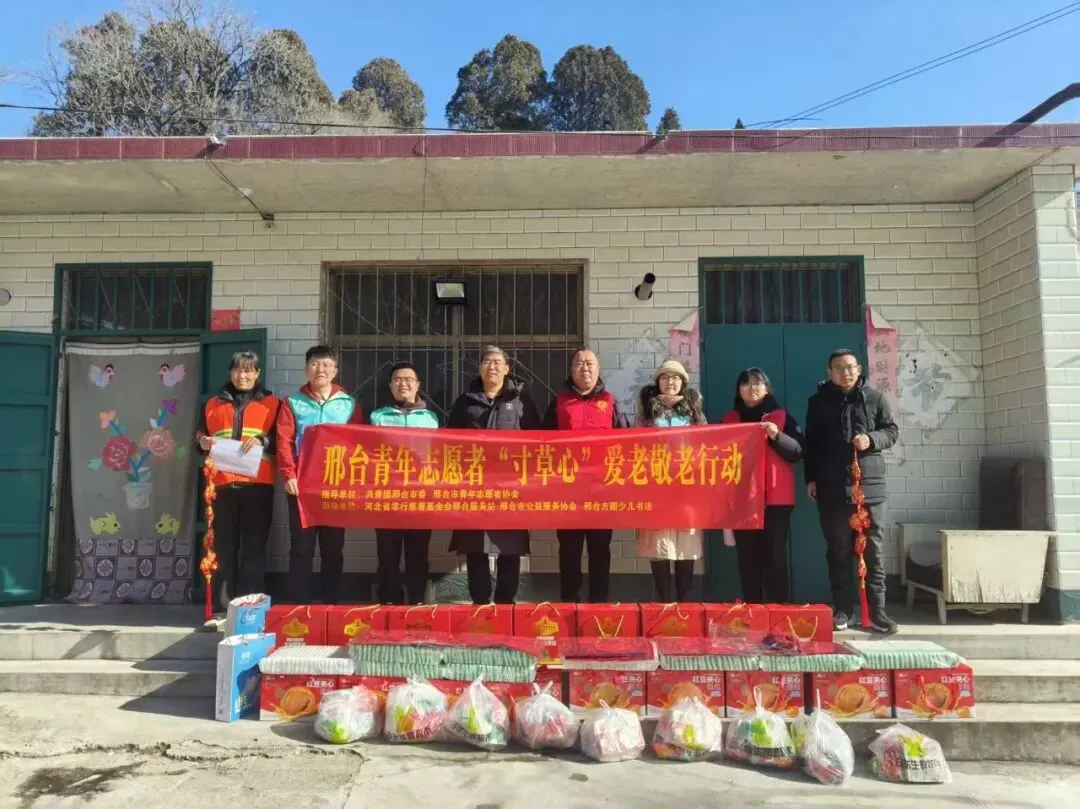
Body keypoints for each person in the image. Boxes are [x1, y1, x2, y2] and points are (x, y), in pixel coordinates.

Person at [804, 348, 899, 634]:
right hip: (832, 486)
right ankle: (843, 609)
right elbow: (812, 444)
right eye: (838, 368)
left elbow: (891, 431)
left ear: (859, 369)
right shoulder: (818, 402)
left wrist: (871, 439)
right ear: (829, 373)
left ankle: (878, 612)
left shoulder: (875, 398)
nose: (845, 372)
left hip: (870, 486)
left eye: (850, 367)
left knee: (873, 550)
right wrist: (811, 478)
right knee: (839, 550)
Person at [448, 346, 541, 604]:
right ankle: (479, 602)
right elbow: (449, 441)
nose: (492, 367)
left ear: (507, 369)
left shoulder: (521, 402)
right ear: (480, 368)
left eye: (498, 362)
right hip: (475, 485)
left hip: (511, 486)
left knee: (509, 547)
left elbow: (537, 441)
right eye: (487, 362)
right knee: (475, 546)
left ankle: (505, 603)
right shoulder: (465, 402)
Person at [195, 351, 279, 630]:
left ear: (258, 373)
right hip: (221, 485)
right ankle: (222, 611)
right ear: (230, 372)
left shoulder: (273, 403)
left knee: (254, 547)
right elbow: (199, 436)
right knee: (224, 547)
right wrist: (201, 443)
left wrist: (263, 441)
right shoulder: (211, 404)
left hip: (258, 485)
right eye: (238, 370)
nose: (243, 376)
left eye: (248, 370)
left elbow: (282, 439)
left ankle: (252, 609)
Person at [276, 345, 364, 605]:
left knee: (333, 547)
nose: (320, 369)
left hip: (336, 486)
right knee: (301, 547)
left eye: (326, 364)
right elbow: (284, 441)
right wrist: (289, 475)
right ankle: (298, 604)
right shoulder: (292, 403)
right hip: (302, 485)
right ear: (306, 369)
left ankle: (330, 603)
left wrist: (352, 481)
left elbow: (358, 443)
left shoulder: (349, 404)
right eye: (315, 364)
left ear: (335, 370)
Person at [543, 348, 630, 603]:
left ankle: (598, 605)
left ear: (598, 369)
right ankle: (569, 602)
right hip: (567, 490)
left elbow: (626, 442)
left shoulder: (611, 402)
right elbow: (542, 442)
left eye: (590, 363)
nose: (585, 368)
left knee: (600, 548)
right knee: (569, 549)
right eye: (579, 363)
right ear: (571, 370)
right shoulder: (559, 403)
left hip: (602, 491)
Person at [721, 367, 804, 604]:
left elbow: (798, 452)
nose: (752, 388)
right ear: (738, 390)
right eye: (746, 383)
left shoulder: (781, 417)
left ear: (767, 388)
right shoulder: (729, 419)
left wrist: (777, 437)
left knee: (775, 558)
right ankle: (753, 609)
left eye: (757, 383)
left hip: (774, 501)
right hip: (741, 500)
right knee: (747, 559)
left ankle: (778, 610)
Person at [368, 362, 439, 605]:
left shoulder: (430, 419)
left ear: (418, 385)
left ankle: (417, 600)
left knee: (418, 551)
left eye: (408, 379)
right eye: (397, 379)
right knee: (387, 551)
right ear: (390, 386)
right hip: (386, 495)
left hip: (420, 495)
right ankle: (389, 600)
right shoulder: (378, 417)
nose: (403, 384)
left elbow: (438, 455)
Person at [635, 359, 706, 602]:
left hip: (687, 486)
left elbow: (706, 443)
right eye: (665, 377)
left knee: (686, 543)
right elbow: (636, 444)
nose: (670, 382)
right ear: (658, 383)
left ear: (683, 383)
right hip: (657, 485)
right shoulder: (646, 412)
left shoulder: (695, 412)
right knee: (659, 542)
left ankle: (683, 602)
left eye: (675, 378)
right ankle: (664, 600)